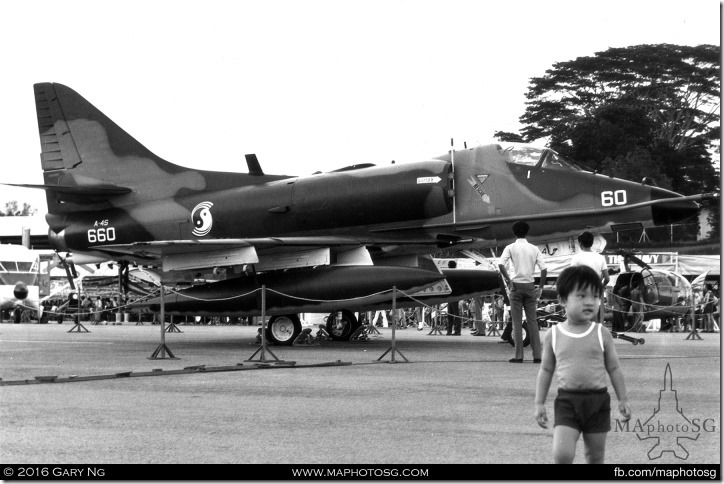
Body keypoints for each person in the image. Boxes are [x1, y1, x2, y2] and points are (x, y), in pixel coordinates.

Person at [534, 265, 631, 464]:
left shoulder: (601, 333)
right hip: (567, 402)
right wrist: (539, 403)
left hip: (597, 402)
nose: (590, 302)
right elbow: (546, 370)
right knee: (562, 455)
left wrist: (623, 399)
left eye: (595, 296)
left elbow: (614, 368)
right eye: (581, 296)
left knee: (595, 457)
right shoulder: (554, 334)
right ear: (562, 300)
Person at [498, 220, 548, 363]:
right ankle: (537, 355)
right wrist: (541, 287)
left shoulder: (510, 247)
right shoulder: (534, 248)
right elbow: (544, 269)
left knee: (517, 322)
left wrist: (508, 279)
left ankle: (519, 355)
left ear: (514, 232)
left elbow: (501, 264)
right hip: (530, 285)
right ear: (527, 232)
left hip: (515, 286)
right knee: (532, 321)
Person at [569, 232, 610, 322]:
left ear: (580, 243)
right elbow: (607, 278)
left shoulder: (576, 258)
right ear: (592, 243)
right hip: (594, 292)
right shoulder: (600, 257)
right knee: (593, 321)